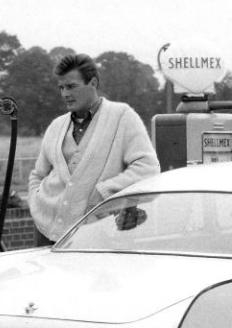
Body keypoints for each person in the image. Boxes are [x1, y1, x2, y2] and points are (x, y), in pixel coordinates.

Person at [28, 53, 160, 244]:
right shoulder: (57, 125)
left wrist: (105, 193)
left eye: (72, 86)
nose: (65, 93)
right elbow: (38, 174)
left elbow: (148, 168)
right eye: (62, 87)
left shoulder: (122, 116)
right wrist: (36, 201)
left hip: (99, 232)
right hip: (47, 229)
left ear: (93, 83)